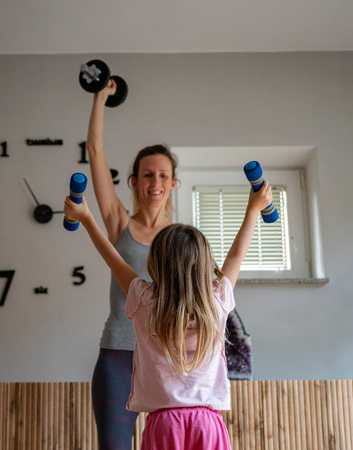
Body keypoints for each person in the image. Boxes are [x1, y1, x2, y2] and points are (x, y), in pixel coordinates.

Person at [64, 179, 272, 450]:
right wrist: (253, 209)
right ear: (205, 264)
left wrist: (87, 218)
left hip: (164, 423)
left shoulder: (145, 300)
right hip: (208, 423)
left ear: (155, 264)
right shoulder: (216, 299)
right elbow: (236, 256)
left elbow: (114, 259)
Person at [85, 80, 178, 449]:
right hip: (118, 354)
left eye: (163, 175)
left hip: (169, 357)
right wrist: (99, 98)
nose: (155, 181)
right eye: (148, 174)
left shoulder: (184, 237)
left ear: (173, 183)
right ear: (135, 181)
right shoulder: (119, 223)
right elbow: (94, 151)